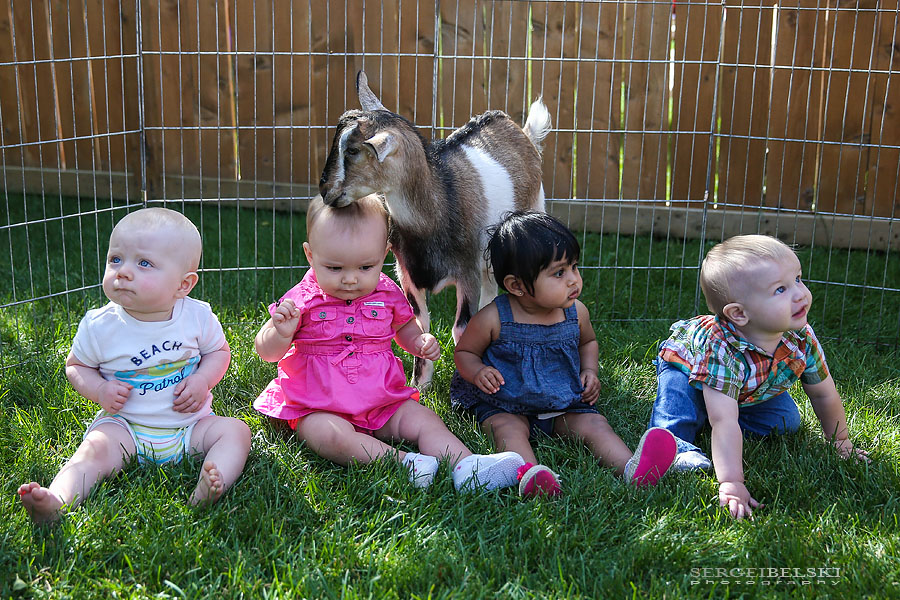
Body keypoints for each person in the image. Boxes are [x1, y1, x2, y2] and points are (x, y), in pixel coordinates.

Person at [253, 194, 524, 491]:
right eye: (335, 268)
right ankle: (403, 462)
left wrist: (418, 340)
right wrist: (279, 332)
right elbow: (267, 352)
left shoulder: (387, 292)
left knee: (424, 419)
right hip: (318, 404)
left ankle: (467, 464)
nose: (350, 279)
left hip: (381, 398)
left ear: (383, 255)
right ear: (310, 255)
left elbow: (404, 328)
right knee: (327, 436)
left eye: (365, 267)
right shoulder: (301, 298)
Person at [18, 208, 251, 523]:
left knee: (236, 431)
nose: (123, 271)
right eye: (116, 259)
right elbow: (76, 366)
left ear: (184, 284)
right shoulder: (100, 326)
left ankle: (210, 485)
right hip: (125, 428)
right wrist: (100, 389)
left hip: (190, 427)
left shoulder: (196, 317)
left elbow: (219, 353)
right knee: (93, 451)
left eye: (144, 263)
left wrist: (202, 381)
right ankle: (56, 500)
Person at [451, 210, 676, 497]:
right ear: (516, 285)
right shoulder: (494, 317)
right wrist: (478, 371)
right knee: (506, 428)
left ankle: (631, 468)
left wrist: (590, 371)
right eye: (559, 273)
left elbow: (588, 343)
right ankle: (531, 474)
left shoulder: (576, 313)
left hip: (562, 402)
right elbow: (465, 352)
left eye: (574, 267)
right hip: (505, 402)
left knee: (594, 423)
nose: (573, 280)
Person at [648, 234, 869, 519]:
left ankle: (714, 406)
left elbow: (823, 392)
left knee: (786, 422)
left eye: (798, 280)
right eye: (780, 290)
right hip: (685, 366)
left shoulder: (800, 337)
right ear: (739, 313)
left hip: (749, 387)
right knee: (680, 407)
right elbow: (724, 421)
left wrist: (840, 441)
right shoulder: (721, 348)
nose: (800, 293)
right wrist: (731, 483)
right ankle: (676, 444)